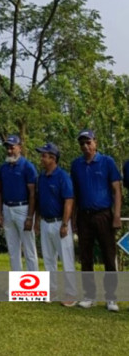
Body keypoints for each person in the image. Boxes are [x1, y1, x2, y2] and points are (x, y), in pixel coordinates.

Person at [71, 129, 122, 312]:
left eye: (88, 142)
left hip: (104, 215)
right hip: (84, 215)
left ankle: (111, 297)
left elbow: (117, 191)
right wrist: (74, 218)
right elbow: (75, 194)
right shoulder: (76, 165)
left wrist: (116, 215)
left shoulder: (107, 162)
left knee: (109, 256)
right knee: (86, 257)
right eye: (82, 143)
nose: (85, 146)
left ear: (95, 142)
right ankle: (89, 295)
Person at [35, 143, 77, 307]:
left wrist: (65, 224)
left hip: (60, 222)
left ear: (52, 158)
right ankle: (51, 290)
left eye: (44, 155)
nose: (41, 158)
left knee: (66, 259)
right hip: (46, 222)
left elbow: (68, 201)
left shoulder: (62, 176)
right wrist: (38, 220)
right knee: (48, 258)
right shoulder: (41, 177)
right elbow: (40, 201)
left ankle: (71, 293)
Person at [0, 135, 39, 272]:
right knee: (13, 251)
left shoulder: (28, 167)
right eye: (7, 148)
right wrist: (0, 212)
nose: (9, 151)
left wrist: (30, 217)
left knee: (29, 250)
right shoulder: (3, 168)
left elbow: (33, 193)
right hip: (7, 208)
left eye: (12, 147)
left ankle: (34, 289)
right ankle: (18, 287)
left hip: (23, 208)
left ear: (19, 148)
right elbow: (0, 192)